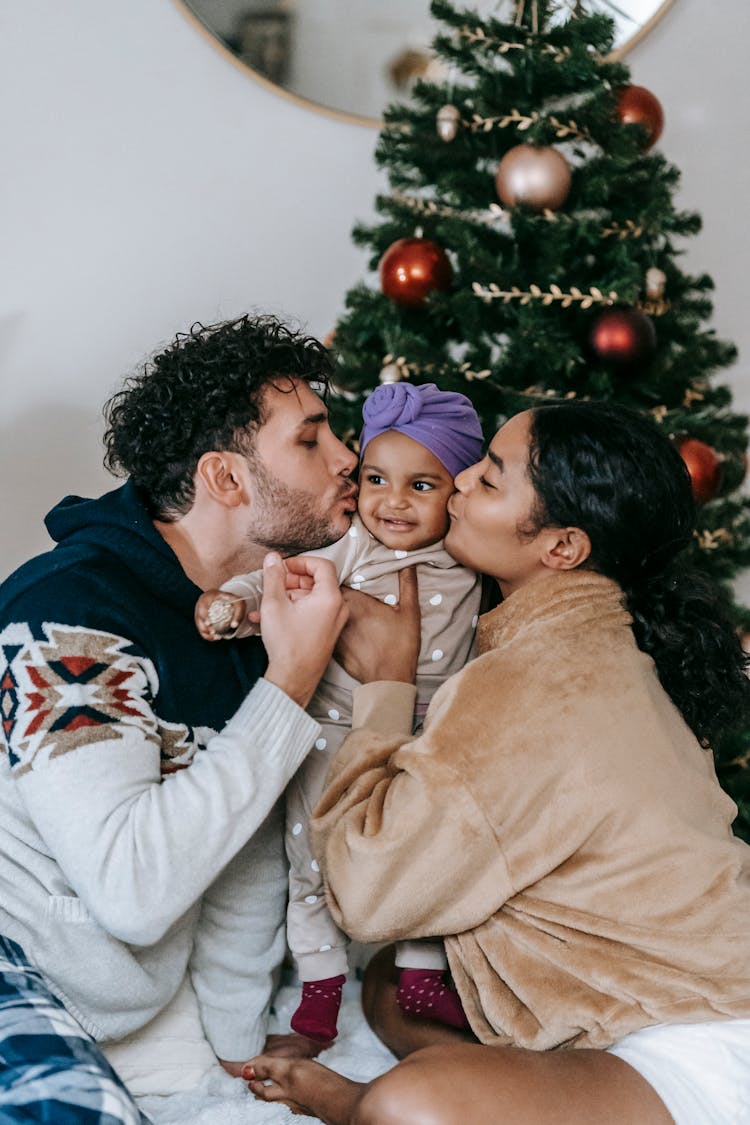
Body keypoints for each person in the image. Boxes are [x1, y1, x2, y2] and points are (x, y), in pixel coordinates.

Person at [245, 400, 750, 1125]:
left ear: (562, 547)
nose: (455, 483)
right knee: (392, 983)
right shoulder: (597, 639)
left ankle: (356, 1103)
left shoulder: (542, 676)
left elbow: (368, 888)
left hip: (704, 1039)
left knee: (408, 1105)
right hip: (652, 986)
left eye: (488, 478)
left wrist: (388, 681)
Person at [0, 314, 360, 1121]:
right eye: (310, 440)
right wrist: (290, 685)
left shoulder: (244, 619)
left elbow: (241, 856)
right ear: (225, 478)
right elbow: (132, 889)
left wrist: (238, 1048)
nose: (348, 457)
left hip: (107, 1008)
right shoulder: (69, 612)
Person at [195, 381, 485, 1043]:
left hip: (426, 738)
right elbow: (287, 574)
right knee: (311, 858)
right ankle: (320, 984)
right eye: (377, 478)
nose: (391, 501)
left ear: (457, 492)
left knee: (427, 852)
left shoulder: (469, 558)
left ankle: (420, 973)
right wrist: (235, 602)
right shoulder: (356, 544)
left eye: (422, 485)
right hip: (330, 734)